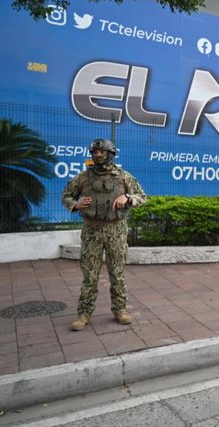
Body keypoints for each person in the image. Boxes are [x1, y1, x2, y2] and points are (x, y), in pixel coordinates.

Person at [61, 138, 146, 331]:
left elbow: (142, 196)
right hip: (91, 230)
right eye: (94, 152)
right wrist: (75, 204)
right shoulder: (83, 178)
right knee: (90, 275)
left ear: (110, 154)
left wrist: (128, 197)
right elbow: (66, 196)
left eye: (101, 152)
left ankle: (120, 310)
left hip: (116, 229)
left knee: (117, 273)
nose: (97, 155)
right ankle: (84, 313)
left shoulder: (124, 177)